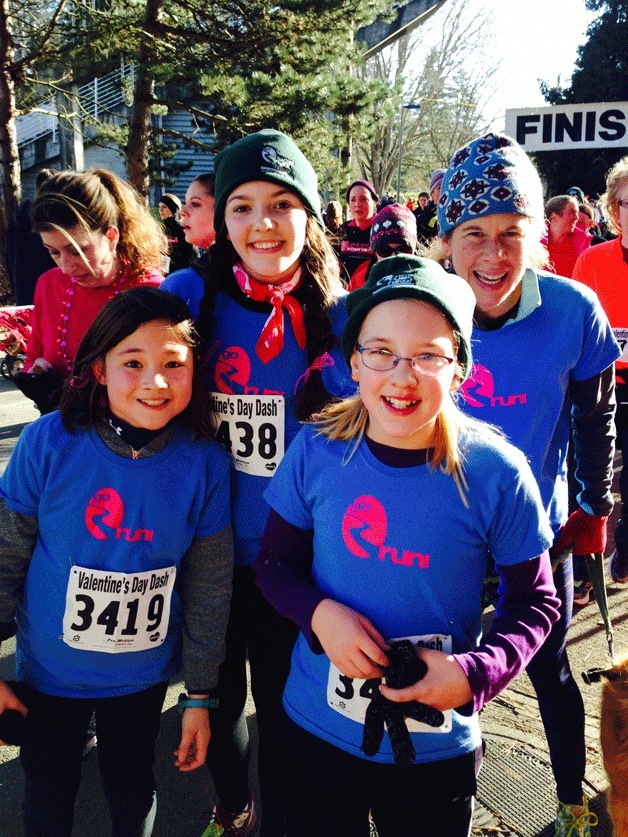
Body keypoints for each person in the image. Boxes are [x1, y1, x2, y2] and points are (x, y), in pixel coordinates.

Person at [253, 255, 561, 837]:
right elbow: (273, 565)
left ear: (459, 369)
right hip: (315, 729)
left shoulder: (496, 473)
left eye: (428, 356)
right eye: (381, 352)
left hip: (435, 747)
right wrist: (320, 616)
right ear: (353, 361)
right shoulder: (316, 450)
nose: (402, 376)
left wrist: (476, 672)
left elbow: (537, 601)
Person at [168, 129, 355, 837]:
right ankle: (231, 807)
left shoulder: (341, 316)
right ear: (222, 220)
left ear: (309, 216)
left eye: (282, 203)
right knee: (214, 697)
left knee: (286, 708)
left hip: (300, 557)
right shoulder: (186, 296)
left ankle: (278, 817)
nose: (262, 223)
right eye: (242, 206)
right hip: (210, 549)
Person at [436, 132, 619, 836]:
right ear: (447, 238)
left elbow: (596, 416)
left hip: (535, 534)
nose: (493, 255)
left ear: (537, 234)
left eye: (511, 233)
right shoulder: (428, 309)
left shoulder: (572, 310)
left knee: (551, 674)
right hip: (443, 534)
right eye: (473, 233)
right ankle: (447, 797)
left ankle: (571, 801)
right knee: (450, 675)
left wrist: (595, 505)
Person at [0, 286, 233, 837]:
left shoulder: (205, 463)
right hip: (48, 675)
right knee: (47, 796)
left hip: (142, 680)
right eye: (133, 363)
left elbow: (209, 587)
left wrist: (199, 695)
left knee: (132, 792)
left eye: (173, 364)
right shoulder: (48, 444)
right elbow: (7, 555)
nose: (155, 382)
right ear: (99, 369)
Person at [21, 169, 164, 412]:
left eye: (77, 250)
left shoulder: (150, 290)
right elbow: (34, 356)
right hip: (64, 431)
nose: (66, 266)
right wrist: (37, 373)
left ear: (111, 236)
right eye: (53, 252)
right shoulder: (49, 285)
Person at [573, 155, 628, 587]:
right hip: (600, 388)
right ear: (613, 209)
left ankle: (624, 552)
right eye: (626, 202)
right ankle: (583, 571)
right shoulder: (591, 261)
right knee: (591, 479)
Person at [161, 173, 216, 321]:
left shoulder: (179, 286)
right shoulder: (177, 285)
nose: (183, 212)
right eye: (186, 202)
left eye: (196, 204)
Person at [5, 168, 56, 306]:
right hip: (48, 292)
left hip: (22, 289)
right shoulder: (48, 219)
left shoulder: (16, 219)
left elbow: (8, 256)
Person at [347, 202, 418, 291]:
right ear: (374, 251)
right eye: (384, 250)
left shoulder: (425, 279)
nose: (393, 257)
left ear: (413, 251)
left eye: (403, 250)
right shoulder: (360, 279)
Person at [339, 179, 378, 280]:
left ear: (374, 202)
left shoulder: (382, 230)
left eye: (363, 199)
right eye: (353, 200)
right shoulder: (343, 229)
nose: (357, 204)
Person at [543, 194, 590, 277]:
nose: (576, 218)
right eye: (571, 212)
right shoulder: (534, 241)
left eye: (577, 213)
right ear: (554, 217)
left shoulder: (582, 244)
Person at [158, 193, 196, 274]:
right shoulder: (161, 229)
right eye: (159, 207)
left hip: (182, 274)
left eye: (164, 207)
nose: (160, 210)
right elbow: (163, 255)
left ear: (173, 208)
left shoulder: (183, 230)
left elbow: (192, 256)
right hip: (165, 274)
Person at [414, 169, 444, 247]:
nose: (444, 191)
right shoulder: (417, 212)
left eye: (446, 187)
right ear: (432, 192)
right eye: (439, 188)